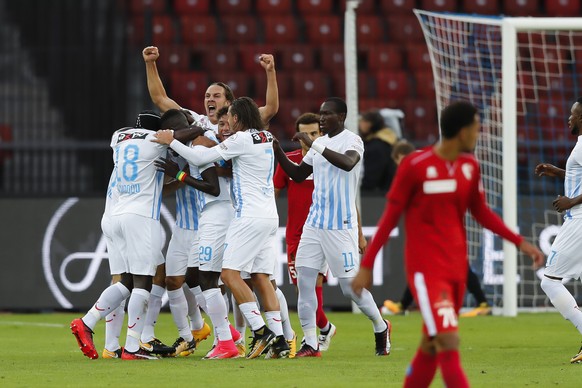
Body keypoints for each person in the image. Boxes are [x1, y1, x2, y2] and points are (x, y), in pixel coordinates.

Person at [352, 101, 544, 387]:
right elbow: (389, 220)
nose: (480, 131)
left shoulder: (469, 166)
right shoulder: (415, 166)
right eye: (477, 126)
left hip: (456, 271)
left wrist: (519, 243)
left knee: (431, 345)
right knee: (449, 340)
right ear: (463, 131)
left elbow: (482, 213)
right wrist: (366, 266)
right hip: (427, 272)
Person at [153, 97, 290, 359]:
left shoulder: (239, 140)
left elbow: (201, 157)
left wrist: (172, 143)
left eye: (229, 119)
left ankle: (260, 332)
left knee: (227, 275)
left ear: (238, 118)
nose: (226, 124)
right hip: (269, 215)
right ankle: (281, 341)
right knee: (260, 277)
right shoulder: (265, 136)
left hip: (246, 215)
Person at [273, 97, 391, 358]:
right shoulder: (320, 144)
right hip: (314, 225)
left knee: (350, 289)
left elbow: (348, 163)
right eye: (321, 113)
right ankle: (311, 344)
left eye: (327, 114)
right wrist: (278, 150)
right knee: (304, 283)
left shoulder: (352, 141)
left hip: (342, 226)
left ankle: (381, 326)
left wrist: (314, 144)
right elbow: (299, 175)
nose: (322, 117)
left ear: (342, 116)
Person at [71, 111, 169, 360]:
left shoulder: (119, 138)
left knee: (123, 280)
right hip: (139, 215)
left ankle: (96, 330)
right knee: (144, 281)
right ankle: (133, 347)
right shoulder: (157, 142)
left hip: (113, 215)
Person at [155, 108, 242, 359]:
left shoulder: (202, 144)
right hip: (206, 217)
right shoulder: (192, 146)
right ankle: (225, 336)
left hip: (216, 215)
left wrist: (179, 173)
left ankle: (230, 340)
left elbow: (212, 186)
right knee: (193, 278)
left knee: (210, 280)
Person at [382, 140, 494, 318]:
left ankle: (482, 302)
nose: (400, 166)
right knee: (424, 264)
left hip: (441, 223)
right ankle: (404, 304)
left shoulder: (419, 164)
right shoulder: (423, 161)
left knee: (453, 264)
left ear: (400, 157)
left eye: (399, 161)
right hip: (435, 223)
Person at [273, 112, 336, 351]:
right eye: (304, 134)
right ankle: (325, 328)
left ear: (322, 135)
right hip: (296, 237)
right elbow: (273, 192)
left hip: (322, 232)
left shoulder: (330, 161)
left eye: (314, 133)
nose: (308, 138)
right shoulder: (289, 161)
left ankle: (310, 341)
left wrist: (359, 232)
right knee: (303, 290)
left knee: (311, 288)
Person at [535, 96, 582, 364]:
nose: (569, 118)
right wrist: (559, 171)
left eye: (573, 114)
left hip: (579, 219)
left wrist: (571, 201)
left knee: (549, 281)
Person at [142, 46, 278, 132]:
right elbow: (160, 99)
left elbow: (270, 109)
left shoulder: (242, 122)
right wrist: (150, 63)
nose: (210, 99)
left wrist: (270, 72)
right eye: (207, 96)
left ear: (228, 103)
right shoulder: (195, 120)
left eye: (216, 96)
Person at [358, 110, 398, 194]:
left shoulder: (377, 147)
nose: (360, 124)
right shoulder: (386, 141)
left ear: (369, 124)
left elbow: (371, 179)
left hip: (378, 196)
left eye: (363, 121)